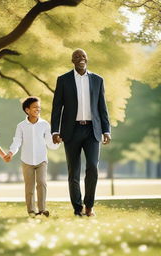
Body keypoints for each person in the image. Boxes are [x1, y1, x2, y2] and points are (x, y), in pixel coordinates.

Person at [51, 48, 111, 217]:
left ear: (87, 59)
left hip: (93, 130)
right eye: (76, 57)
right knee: (74, 171)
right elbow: (57, 107)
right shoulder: (63, 80)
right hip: (71, 131)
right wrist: (55, 131)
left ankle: (89, 206)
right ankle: (78, 208)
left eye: (83, 56)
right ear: (72, 60)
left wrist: (106, 130)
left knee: (92, 167)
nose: (80, 59)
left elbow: (102, 107)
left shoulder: (98, 80)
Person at [4, 97, 60, 218]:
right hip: (27, 161)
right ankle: (31, 211)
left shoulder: (45, 124)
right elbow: (17, 141)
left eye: (39, 107)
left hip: (42, 160)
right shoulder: (21, 126)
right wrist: (10, 153)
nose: (38, 109)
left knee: (42, 183)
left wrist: (58, 142)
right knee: (29, 186)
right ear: (27, 110)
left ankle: (42, 209)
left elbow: (50, 143)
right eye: (35, 107)